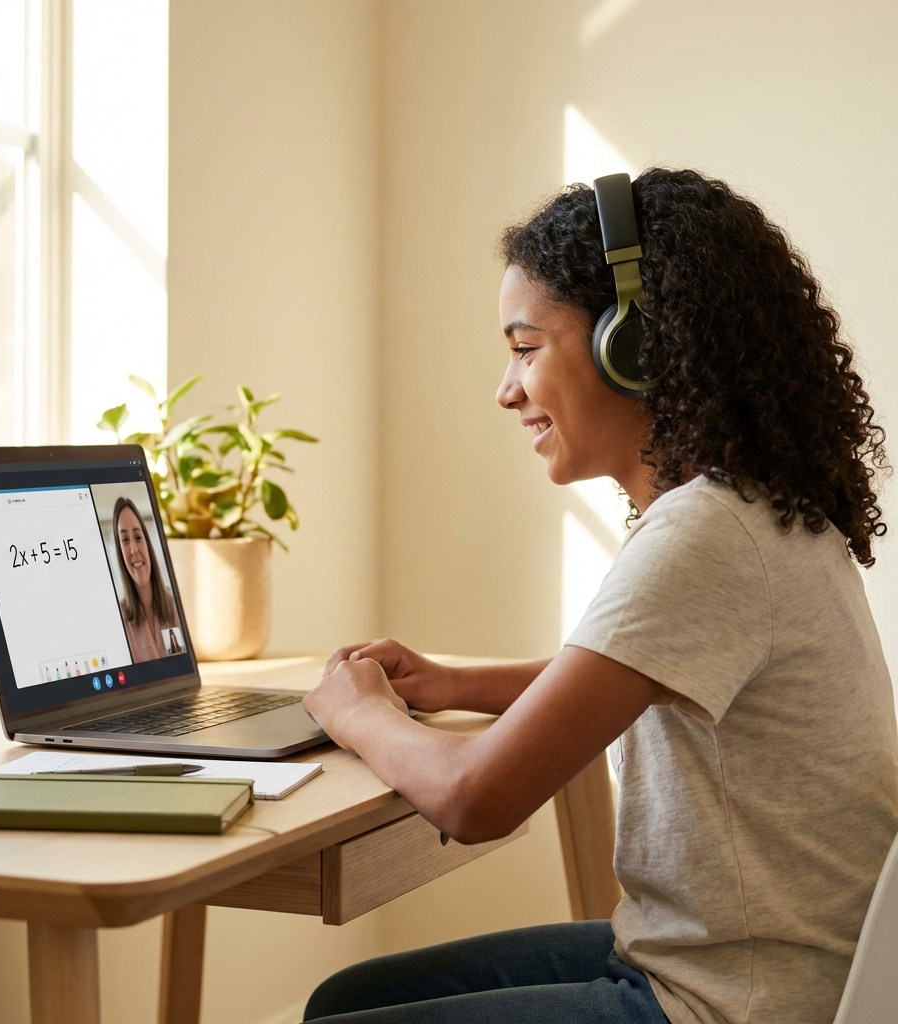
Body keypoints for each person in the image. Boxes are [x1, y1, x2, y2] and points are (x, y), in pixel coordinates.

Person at [300, 169, 898, 1024]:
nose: (506, 390)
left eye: (525, 349)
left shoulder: (705, 533)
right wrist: (452, 683)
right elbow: (630, 675)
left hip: (732, 1002)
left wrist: (356, 711)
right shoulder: (754, 507)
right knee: (348, 999)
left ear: (635, 344)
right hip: (748, 961)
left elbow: (475, 799)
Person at [112, 496, 181, 662]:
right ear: (120, 552)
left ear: (147, 544)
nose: (134, 549)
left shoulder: (175, 607)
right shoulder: (118, 621)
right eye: (125, 540)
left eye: (138, 537)